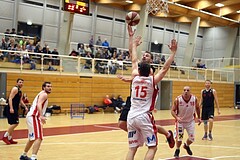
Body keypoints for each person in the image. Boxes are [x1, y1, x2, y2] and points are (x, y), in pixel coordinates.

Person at [118, 25, 176, 149]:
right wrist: (131, 37)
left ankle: (165, 133)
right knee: (122, 124)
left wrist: (130, 79)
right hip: (133, 99)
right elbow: (131, 55)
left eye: (147, 56)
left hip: (142, 101)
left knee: (145, 124)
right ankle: (163, 133)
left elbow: (144, 79)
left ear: (151, 60)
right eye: (143, 55)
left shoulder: (150, 70)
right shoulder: (139, 67)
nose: (144, 56)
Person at [19, 82, 52, 160]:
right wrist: (41, 115)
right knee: (39, 137)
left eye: (51, 86)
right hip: (34, 116)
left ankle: (23, 155)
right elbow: (39, 104)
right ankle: (33, 157)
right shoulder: (44, 94)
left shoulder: (41, 93)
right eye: (48, 86)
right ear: (43, 87)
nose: (50, 88)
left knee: (32, 138)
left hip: (31, 116)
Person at [171, 86, 201, 158]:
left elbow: (197, 108)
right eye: (184, 90)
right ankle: (177, 150)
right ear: (182, 91)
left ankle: (186, 145)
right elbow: (172, 111)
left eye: (188, 90)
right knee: (179, 138)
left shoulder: (194, 99)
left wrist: (199, 118)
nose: (186, 91)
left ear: (190, 92)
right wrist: (177, 117)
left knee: (192, 139)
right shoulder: (178, 99)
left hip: (190, 122)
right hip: (180, 122)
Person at [2, 78, 28, 145]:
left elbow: (20, 101)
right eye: (20, 82)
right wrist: (11, 108)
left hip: (15, 108)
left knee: (13, 123)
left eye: (22, 82)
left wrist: (25, 107)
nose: (21, 83)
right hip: (11, 107)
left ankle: (10, 138)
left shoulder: (20, 91)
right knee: (15, 123)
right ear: (17, 83)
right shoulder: (15, 89)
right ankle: (5, 136)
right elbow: (10, 98)